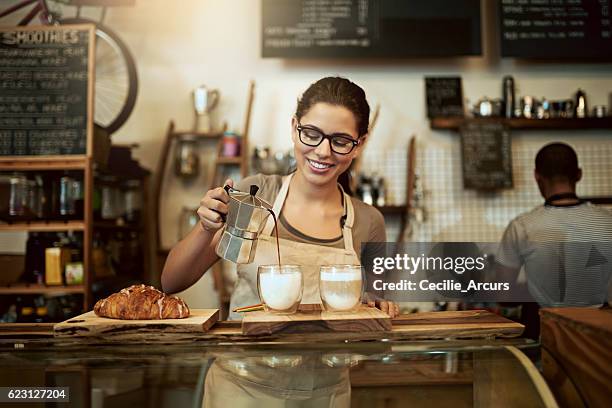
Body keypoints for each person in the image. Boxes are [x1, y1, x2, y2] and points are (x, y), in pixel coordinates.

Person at [162, 77, 399, 320]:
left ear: (359, 144)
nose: (322, 151)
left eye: (340, 141)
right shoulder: (255, 195)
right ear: (294, 127)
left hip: (331, 357)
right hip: (246, 357)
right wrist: (204, 229)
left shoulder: (368, 222)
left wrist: (380, 303)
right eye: (311, 133)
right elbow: (171, 282)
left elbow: (374, 305)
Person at [496, 142, 612, 336]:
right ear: (578, 174)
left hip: (548, 334)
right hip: (600, 334)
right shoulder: (607, 222)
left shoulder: (522, 226)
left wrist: (537, 287)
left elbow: (503, 295)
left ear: (537, 177)